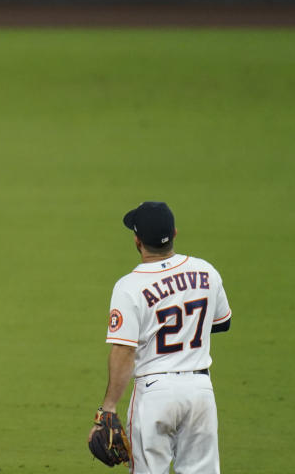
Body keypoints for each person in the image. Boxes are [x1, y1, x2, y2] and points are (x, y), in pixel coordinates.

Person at [89, 201, 232, 474]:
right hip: (200, 392)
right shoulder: (206, 272)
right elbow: (222, 323)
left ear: (137, 240)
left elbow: (123, 352)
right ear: (175, 233)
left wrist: (107, 409)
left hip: (154, 395)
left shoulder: (129, 286)